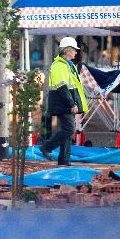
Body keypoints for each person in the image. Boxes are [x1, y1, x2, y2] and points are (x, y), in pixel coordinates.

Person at [39, 36, 88, 166]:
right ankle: (46, 147)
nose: (76, 52)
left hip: (65, 102)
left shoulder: (67, 65)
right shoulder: (60, 65)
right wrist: (71, 104)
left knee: (66, 130)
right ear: (67, 50)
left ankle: (64, 159)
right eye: (74, 50)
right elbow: (62, 87)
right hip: (63, 103)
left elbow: (70, 86)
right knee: (69, 129)